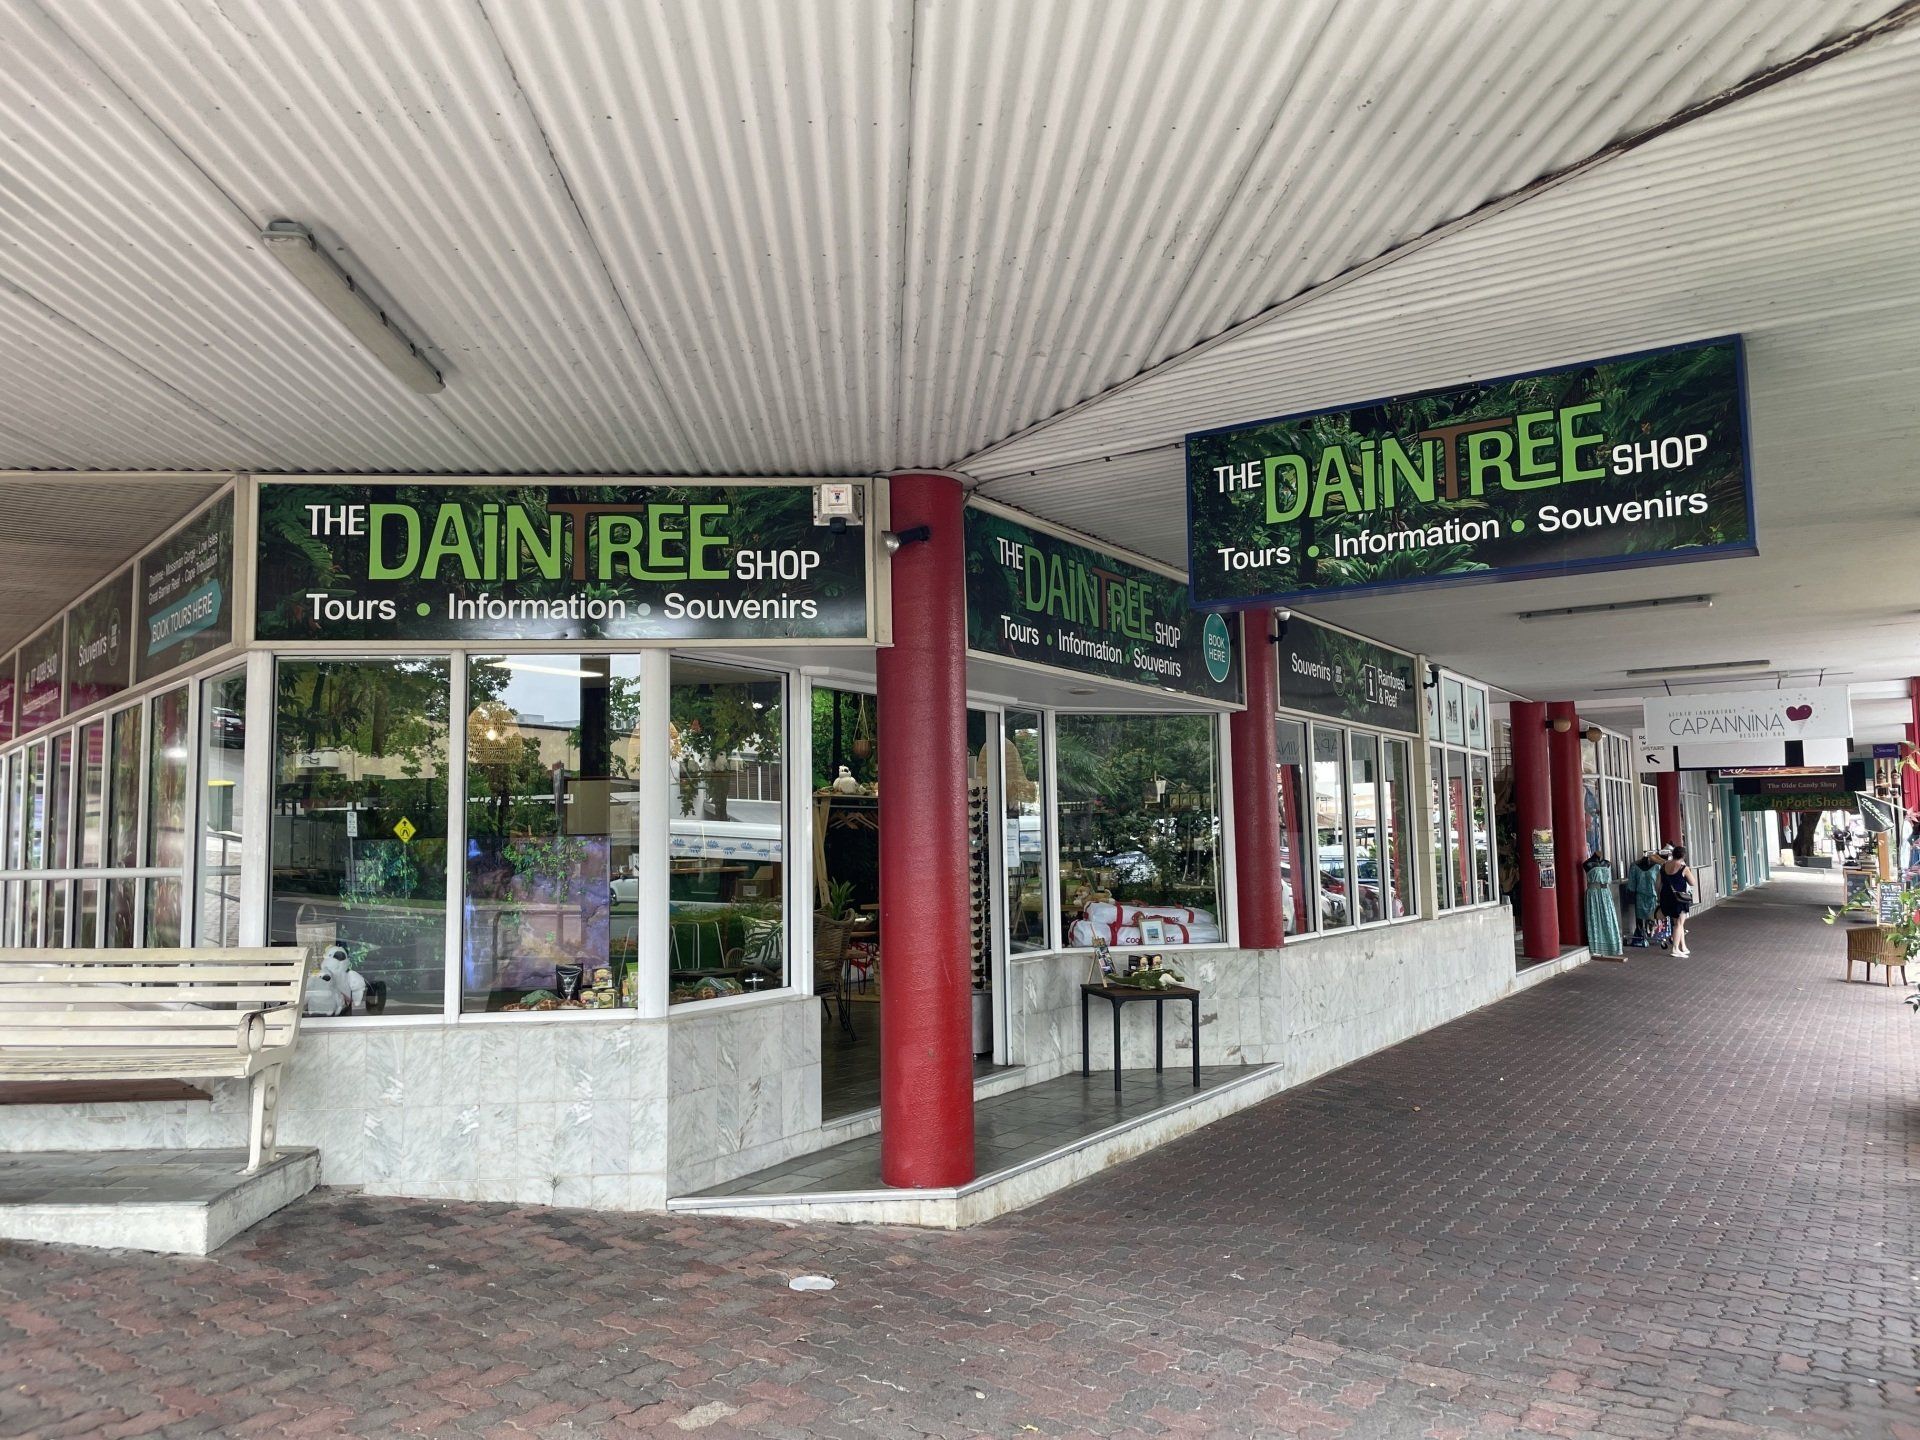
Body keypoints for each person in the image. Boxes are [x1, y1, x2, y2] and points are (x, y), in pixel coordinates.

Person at [1582, 852, 1623, 958]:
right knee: (1594, 918)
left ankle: (1612, 946)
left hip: (1605, 892)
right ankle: (1596, 947)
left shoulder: (1607, 863)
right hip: (1593, 893)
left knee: (1608, 918)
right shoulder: (1587, 863)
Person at [1659, 844, 1697, 957]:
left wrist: (1658, 896)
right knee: (1679, 924)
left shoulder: (1664, 866)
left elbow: (1658, 883)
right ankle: (1675, 949)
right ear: (1683, 856)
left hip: (1666, 896)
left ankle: (1683, 947)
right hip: (1679, 899)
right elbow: (1693, 883)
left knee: (1677, 923)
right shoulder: (1683, 868)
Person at [1626, 849, 1661, 947]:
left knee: (1652, 917)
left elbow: (1659, 883)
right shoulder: (1634, 867)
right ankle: (1641, 936)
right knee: (1640, 918)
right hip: (1640, 896)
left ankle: (1651, 933)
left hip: (1653, 897)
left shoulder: (1657, 867)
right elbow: (1631, 884)